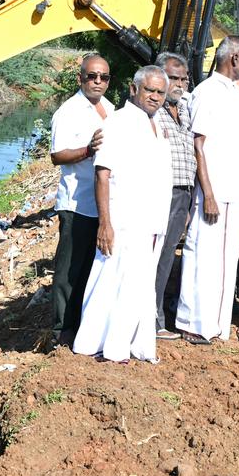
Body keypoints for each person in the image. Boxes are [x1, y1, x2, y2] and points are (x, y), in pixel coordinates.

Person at [73, 66, 174, 363]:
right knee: (111, 281)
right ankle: (103, 345)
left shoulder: (156, 124)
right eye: (149, 90)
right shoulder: (117, 122)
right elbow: (102, 175)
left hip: (150, 221)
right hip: (124, 220)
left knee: (139, 285)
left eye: (160, 92)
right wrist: (105, 224)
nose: (155, 97)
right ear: (133, 89)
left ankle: (131, 344)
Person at [175, 37, 239, 344]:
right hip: (215, 192)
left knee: (225, 259)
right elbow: (199, 145)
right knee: (203, 257)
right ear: (234, 58)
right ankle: (193, 323)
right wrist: (207, 194)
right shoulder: (208, 92)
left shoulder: (237, 92)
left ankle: (215, 324)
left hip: (236, 191)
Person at [49, 54, 113, 343]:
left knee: (92, 268)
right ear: (80, 78)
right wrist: (88, 150)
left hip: (102, 202)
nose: (98, 81)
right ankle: (61, 331)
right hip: (77, 203)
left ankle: (85, 326)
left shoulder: (109, 108)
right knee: (70, 270)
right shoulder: (69, 111)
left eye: (104, 77)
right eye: (92, 76)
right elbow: (57, 155)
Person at [152, 52, 196, 341]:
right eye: (174, 78)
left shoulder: (186, 109)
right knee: (154, 255)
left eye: (184, 79)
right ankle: (152, 320)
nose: (179, 84)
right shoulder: (150, 112)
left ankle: (156, 315)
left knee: (167, 254)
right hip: (160, 192)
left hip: (183, 193)